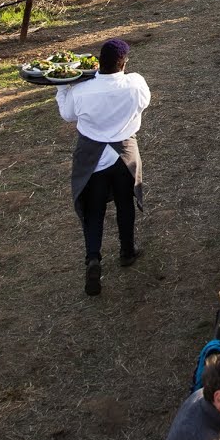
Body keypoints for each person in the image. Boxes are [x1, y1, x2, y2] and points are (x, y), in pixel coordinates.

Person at [54, 38, 150, 296]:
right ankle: (127, 251)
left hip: (93, 158)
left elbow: (67, 114)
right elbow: (144, 103)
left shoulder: (83, 91)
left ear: (98, 62)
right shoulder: (136, 84)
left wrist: (65, 86)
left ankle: (93, 258)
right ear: (124, 63)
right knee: (124, 203)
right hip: (124, 156)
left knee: (93, 210)